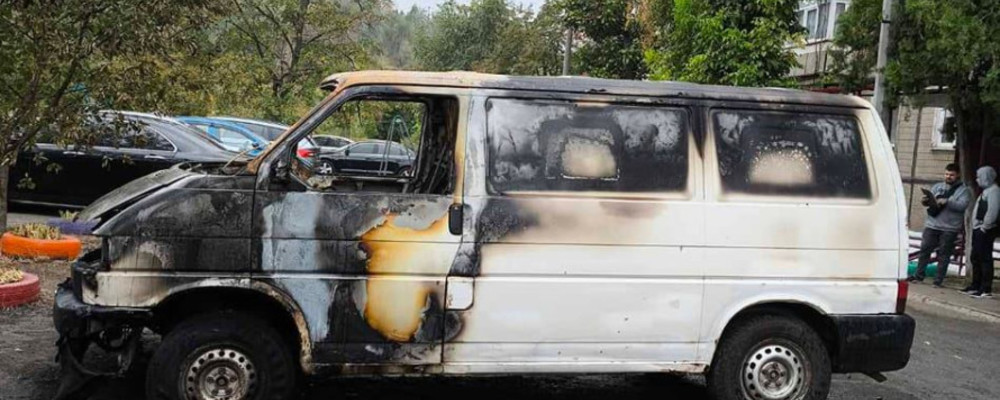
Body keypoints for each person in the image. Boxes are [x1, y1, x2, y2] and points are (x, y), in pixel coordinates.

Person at [909, 163, 970, 287]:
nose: (948, 177)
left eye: (951, 175)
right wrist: (925, 201)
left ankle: (938, 281)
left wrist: (948, 202)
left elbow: (962, 206)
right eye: (946, 174)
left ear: (957, 175)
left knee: (944, 254)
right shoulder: (937, 186)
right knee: (924, 251)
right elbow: (929, 201)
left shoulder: (963, 191)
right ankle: (919, 276)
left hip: (949, 228)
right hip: (932, 225)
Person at [963, 165, 1000, 298]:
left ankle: (985, 288)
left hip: (985, 230)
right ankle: (975, 285)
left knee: (984, 258)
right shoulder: (986, 191)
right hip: (978, 228)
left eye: (979, 177)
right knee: (976, 257)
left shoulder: (994, 191)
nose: (977, 180)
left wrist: (985, 226)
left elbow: (992, 211)